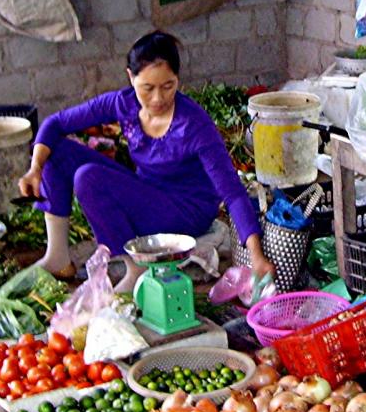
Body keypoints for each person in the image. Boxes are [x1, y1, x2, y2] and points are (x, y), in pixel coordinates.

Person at [18, 30, 274, 282]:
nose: (157, 98)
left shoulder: (194, 124)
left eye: (168, 86)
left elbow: (233, 192)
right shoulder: (123, 103)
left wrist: (256, 255)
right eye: (147, 88)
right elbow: (55, 123)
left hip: (186, 212)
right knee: (57, 151)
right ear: (131, 78)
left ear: (178, 78)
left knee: (89, 177)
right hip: (148, 193)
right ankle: (58, 256)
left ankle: (135, 269)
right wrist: (35, 168)